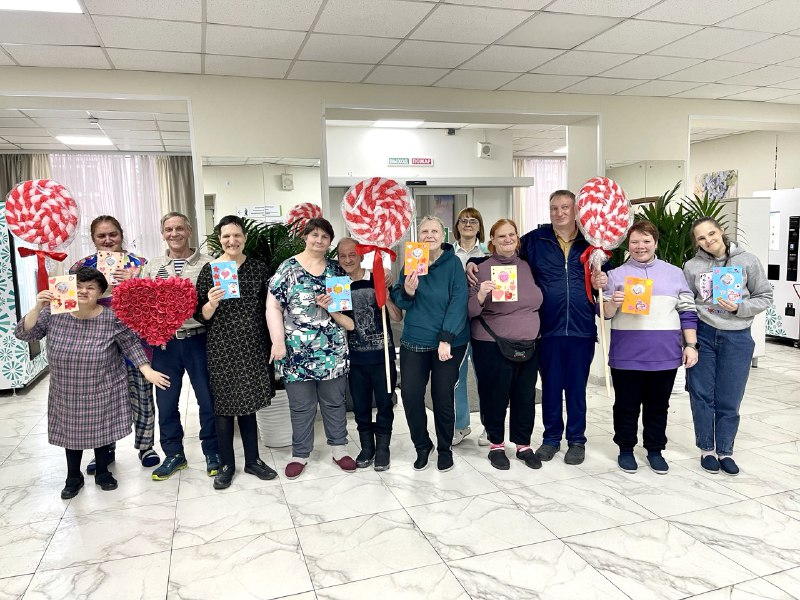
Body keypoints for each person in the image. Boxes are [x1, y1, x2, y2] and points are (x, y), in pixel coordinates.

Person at [469, 190, 603, 466]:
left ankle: (576, 440)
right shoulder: (535, 240)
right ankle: (551, 439)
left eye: (565, 207)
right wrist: (475, 262)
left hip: (581, 328)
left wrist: (604, 281)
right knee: (550, 388)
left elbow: (605, 279)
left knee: (576, 389)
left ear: (576, 210)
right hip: (548, 330)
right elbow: (504, 255)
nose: (559, 212)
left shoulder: (592, 244)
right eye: (554, 208)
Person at [15, 267, 170, 499]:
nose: (83, 291)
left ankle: (103, 472)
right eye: (78, 287)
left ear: (100, 293)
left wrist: (147, 370)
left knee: (102, 428)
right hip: (66, 388)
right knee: (70, 431)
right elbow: (24, 334)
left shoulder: (111, 317)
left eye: (90, 288)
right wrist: (37, 306)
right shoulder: (53, 313)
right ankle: (73, 477)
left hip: (102, 384)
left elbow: (130, 344)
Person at [594, 220, 698, 474]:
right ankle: (625, 449)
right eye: (635, 242)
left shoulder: (674, 273)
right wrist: (613, 303)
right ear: (628, 245)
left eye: (646, 241)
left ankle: (655, 449)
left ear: (655, 243)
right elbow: (604, 313)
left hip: (665, 355)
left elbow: (687, 311)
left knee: (658, 407)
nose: (640, 246)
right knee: (625, 406)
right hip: (626, 355)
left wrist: (691, 344)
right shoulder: (615, 275)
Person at [267, 217, 356, 480]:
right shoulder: (288, 268)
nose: (319, 240)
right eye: (314, 235)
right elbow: (273, 306)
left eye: (324, 237)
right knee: (301, 406)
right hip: (296, 353)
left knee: (334, 403)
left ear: (329, 242)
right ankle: (300, 454)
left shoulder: (336, 271)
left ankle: (339, 449)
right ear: (305, 237)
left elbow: (345, 316)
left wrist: (331, 308)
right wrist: (278, 341)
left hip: (331, 351)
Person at [70, 215, 159, 472]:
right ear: (93, 238)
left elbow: (156, 303)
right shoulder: (81, 267)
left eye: (113, 234)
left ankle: (146, 446)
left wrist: (136, 283)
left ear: (121, 235)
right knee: (103, 398)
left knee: (142, 393)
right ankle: (104, 450)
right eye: (101, 236)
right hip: (98, 344)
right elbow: (69, 304)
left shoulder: (140, 264)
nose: (108, 240)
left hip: (136, 340)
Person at [683, 217, 772, 476]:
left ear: (721, 231)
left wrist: (740, 307)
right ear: (696, 242)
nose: (708, 240)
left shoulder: (748, 261)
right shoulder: (692, 266)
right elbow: (687, 303)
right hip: (704, 334)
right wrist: (687, 342)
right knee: (701, 395)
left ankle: (725, 450)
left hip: (737, 336)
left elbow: (765, 295)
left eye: (711, 233)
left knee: (730, 397)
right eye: (701, 237)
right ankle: (706, 449)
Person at [196, 215, 276, 490]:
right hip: (222, 347)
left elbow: (270, 307)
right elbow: (201, 315)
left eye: (237, 235)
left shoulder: (258, 268)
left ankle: (253, 460)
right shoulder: (210, 270)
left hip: (253, 345)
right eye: (226, 236)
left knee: (249, 404)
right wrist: (211, 303)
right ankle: (226, 465)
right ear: (220, 239)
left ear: (245, 237)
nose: (232, 240)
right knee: (224, 407)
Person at [141, 212, 220, 481]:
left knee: (207, 400)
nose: (174, 234)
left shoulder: (208, 263)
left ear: (189, 231)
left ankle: (213, 451)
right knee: (166, 402)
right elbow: (144, 305)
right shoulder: (152, 266)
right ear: (163, 234)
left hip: (199, 340)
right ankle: (174, 454)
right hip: (165, 345)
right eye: (168, 229)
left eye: (179, 228)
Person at [391, 215, 469, 472]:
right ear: (418, 235)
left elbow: (459, 301)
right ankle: (422, 446)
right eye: (425, 231)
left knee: (442, 396)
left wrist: (446, 338)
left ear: (443, 235)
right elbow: (401, 300)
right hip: (415, 339)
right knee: (411, 395)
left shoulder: (453, 264)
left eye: (435, 231)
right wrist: (409, 290)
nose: (430, 235)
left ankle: (445, 449)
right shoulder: (412, 261)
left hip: (449, 342)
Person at [469, 219, 543, 470]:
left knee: (525, 396)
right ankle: (496, 445)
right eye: (501, 236)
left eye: (512, 234)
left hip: (529, 344)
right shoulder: (480, 269)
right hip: (492, 345)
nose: (508, 239)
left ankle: (523, 445)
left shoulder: (527, 266)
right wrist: (481, 295)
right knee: (495, 396)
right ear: (492, 240)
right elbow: (469, 311)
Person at [337, 237, 402, 471]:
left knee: (385, 404)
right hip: (355, 358)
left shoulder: (378, 278)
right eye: (342, 256)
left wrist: (385, 296)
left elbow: (397, 318)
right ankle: (367, 448)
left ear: (362, 256)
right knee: (361, 406)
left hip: (382, 357)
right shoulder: (338, 285)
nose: (347, 260)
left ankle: (383, 448)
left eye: (352, 254)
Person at [452, 207, 487, 446]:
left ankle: (489, 426)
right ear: (457, 226)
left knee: (484, 376)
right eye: (463, 220)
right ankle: (460, 425)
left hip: (484, 322)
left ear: (479, 226)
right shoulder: (447, 253)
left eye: (473, 220)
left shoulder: (489, 253)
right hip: (456, 322)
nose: (467, 224)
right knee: (457, 377)